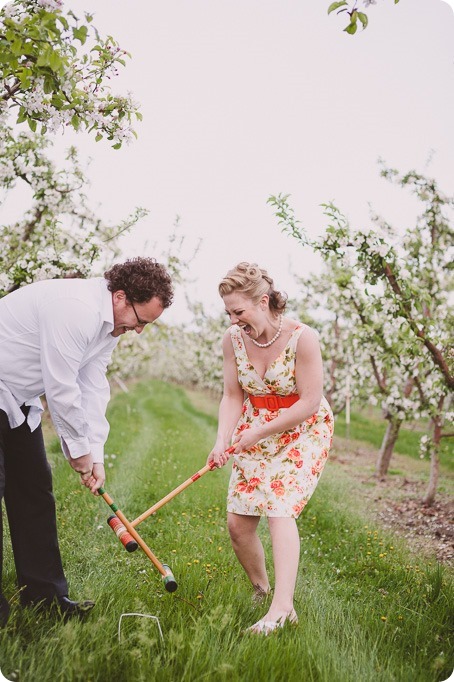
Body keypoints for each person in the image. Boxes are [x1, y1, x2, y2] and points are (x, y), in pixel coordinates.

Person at [0, 257, 173, 627]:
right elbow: (60, 387)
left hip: (15, 398)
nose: (139, 331)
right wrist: (76, 451)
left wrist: (95, 455)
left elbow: (92, 387)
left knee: (34, 490)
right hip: (4, 387)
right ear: (121, 297)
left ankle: (45, 597)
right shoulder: (76, 309)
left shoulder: (109, 328)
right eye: (141, 320)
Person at [208, 262, 334, 635]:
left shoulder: (302, 338)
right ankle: (262, 591)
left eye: (239, 311)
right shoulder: (232, 339)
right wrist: (222, 440)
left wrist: (260, 432)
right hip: (255, 427)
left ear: (263, 301)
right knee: (238, 524)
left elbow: (310, 401)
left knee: (279, 507)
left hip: (301, 429)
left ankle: (283, 610)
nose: (233, 320)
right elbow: (233, 395)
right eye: (229, 312)